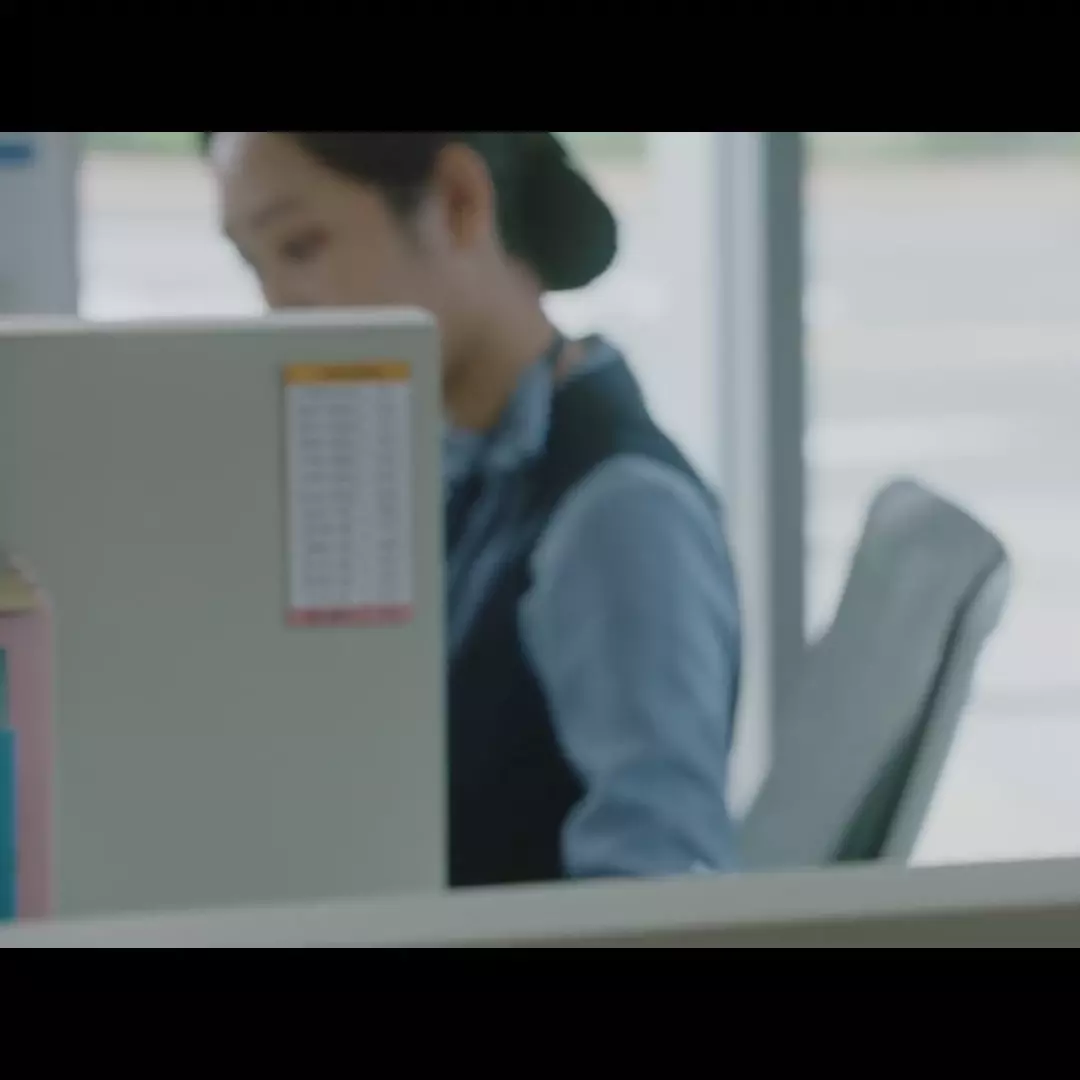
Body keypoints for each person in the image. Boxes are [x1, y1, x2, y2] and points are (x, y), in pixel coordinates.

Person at [204, 132, 740, 886]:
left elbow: (656, 888)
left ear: (458, 202)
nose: (277, 309)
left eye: (300, 246)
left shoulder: (618, 514)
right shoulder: (453, 461)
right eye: (252, 264)